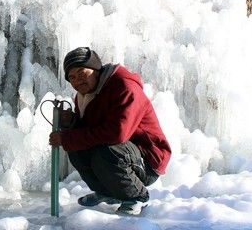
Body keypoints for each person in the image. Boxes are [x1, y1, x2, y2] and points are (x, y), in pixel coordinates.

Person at [48, 47, 171, 215]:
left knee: (106, 152)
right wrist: (71, 123)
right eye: (72, 77)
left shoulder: (125, 87)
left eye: (82, 73)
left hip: (147, 160)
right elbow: (87, 132)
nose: (78, 81)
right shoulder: (83, 96)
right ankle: (109, 192)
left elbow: (117, 133)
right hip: (124, 153)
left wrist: (69, 137)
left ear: (96, 69)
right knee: (76, 149)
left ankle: (137, 197)